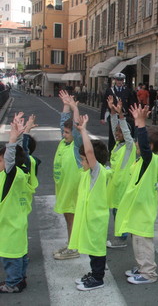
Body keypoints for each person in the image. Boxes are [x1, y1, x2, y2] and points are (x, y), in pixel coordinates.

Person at [115, 104, 158, 284]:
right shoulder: (147, 161)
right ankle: (142, 266)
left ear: (150, 147)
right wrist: (138, 124)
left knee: (143, 242)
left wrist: (141, 124)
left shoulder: (149, 161)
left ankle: (148, 273)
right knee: (137, 241)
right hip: (138, 207)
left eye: (140, 142)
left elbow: (144, 147)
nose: (137, 144)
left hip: (143, 209)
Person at [70, 115, 110, 291]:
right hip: (89, 217)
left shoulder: (98, 173)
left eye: (83, 159)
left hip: (96, 218)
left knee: (97, 249)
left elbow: (89, 152)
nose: (82, 161)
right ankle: (94, 273)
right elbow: (80, 152)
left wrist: (84, 130)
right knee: (92, 250)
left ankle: (98, 278)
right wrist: (79, 131)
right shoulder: (87, 173)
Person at [0, 114, 33, 293]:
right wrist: (20, 135)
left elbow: (12, 156)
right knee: (21, 254)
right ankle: (20, 279)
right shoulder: (22, 171)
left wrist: (13, 139)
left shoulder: (10, 175)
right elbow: (21, 153)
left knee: (10, 256)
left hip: (9, 224)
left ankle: (12, 283)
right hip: (18, 221)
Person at [53, 91, 83, 260]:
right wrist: (65, 105)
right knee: (68, 218)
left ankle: (73, 248)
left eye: (66, 133)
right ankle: (71, 242)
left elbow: (76, 128)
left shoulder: (76, 146)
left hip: (73, 193)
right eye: (63, 132)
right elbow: (64, 123)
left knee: (72, 219)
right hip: (64, 189)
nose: (63, 134)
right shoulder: (65, 143)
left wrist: (74, 109)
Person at [105, 97, 136, 249]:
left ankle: (122, 238)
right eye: (116, 131)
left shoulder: (129, 147)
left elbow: (124, 130)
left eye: (120, 131)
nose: (117, 133)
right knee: (115, 212)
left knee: (120, 212)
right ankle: (121, 234)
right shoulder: (118, 144)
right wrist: (112, 111)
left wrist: (121, 116)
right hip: (115, 184)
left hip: (123, 185)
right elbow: (113, 127)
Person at [100, 73, 136, 152]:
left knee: (125, 133)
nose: (119, 82)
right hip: (114, 116)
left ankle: (125, 151)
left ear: (123, 81)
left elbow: (132, 104)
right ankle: (111, 152)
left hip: (124, 116)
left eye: (121, 80)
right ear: (115, 80)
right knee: (113, 135)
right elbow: (104, 104)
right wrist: (102, 117)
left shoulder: (128, 90)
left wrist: (134, 116)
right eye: (118, 80)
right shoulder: (110, 90)